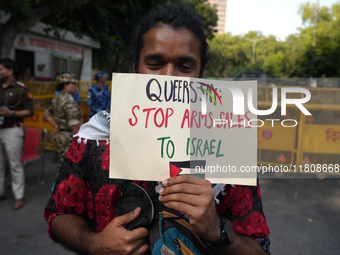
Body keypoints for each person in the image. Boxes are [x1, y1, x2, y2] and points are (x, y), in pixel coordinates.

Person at [44, 5, 270, 255]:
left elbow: (259, 248)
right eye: (154, 63)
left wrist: (217, 230)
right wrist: (93, 243)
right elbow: (59, 214)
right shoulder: (95, 137)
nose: (168, 78)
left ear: (201, 74)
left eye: (185, 66)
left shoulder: (227, 145)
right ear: (135, 67)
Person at [0, 58, 34, 210]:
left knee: (14, 164)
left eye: (1, 69)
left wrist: (11, 112)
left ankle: (18, 196)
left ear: (10, 71)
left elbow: (30, 111)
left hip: (12, 129)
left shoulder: (21, 89)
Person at [44, 73, 83, 169]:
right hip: (69, 139)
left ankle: (59, 183)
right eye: (73, 84)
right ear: (65, 85)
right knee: (70, 168)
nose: (75, 86)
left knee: (63, 165)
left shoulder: (57, 99)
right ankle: (62, 184)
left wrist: (57, 127)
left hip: (61, 136)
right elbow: (73, 126)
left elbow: (48, 114)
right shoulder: (69, 102)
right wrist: (80, 144)